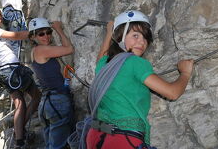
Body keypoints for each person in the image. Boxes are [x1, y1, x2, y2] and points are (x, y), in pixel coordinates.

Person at [79, 10, 194, 149]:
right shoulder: (135, 62)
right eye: (135, 35)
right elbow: (172, 93)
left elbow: (102, 55)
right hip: (123, 140)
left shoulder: (105, 65)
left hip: (96, 136)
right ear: (120, 36)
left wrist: (109, 32)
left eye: (145, 38)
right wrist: (185, 73)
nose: (142, 42)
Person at [0, 6, 41, 149]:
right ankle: (19, 133)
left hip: (7, 71)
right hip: (11, 70)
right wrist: (34, 32)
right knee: (35, 97)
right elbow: (16, 36)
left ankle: (19, 139)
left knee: (19, 103)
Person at [29, 18, 75, 149]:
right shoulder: (41, 50)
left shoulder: (35, 51)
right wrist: (58, 29)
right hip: (57, 102)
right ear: (33, 37)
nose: (46, 36)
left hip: (47, 103)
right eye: (41, 34)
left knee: (51, 144)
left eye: (48, 32)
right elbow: (69, 49)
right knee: (58, 146)